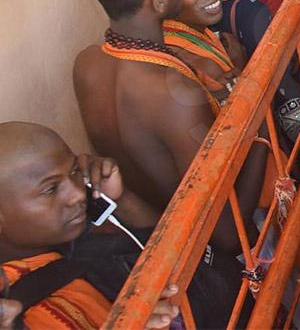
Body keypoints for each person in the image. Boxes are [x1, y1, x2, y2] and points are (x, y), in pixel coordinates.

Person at [73, 0, 267, 253]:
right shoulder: (175, 95)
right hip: (201, 256)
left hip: (155, 232)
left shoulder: (87, 64)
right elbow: (226, 234)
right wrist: (258, 125)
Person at [0, 122, 234, 330]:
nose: (76, 194)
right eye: (50, 189)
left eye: (74, 172)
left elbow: (179, 250)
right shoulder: (20, 307)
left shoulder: (68, 241)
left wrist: (121, 200)